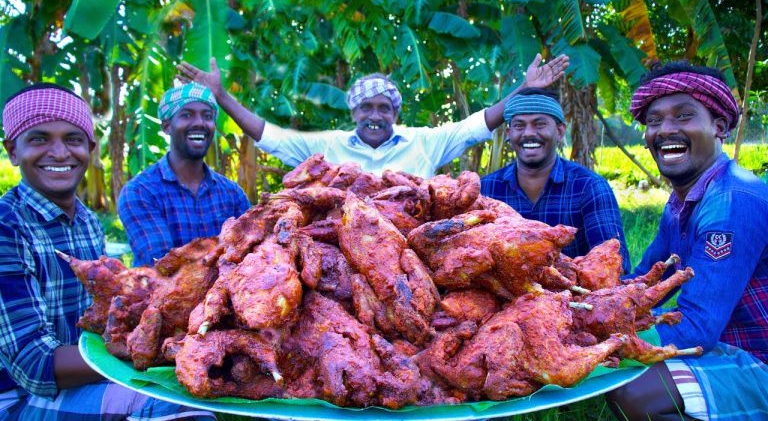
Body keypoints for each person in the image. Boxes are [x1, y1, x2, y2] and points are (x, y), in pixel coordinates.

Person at [0, 83, 214, 420]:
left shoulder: (86, 220)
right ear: (12, 150)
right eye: (39, 139)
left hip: (86, 377)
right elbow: (34, 365)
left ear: (90, 148)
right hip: (17, 396)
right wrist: (153, 351)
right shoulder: (6, 227)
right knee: (172, 404)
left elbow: (103, 317)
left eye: (72, 139)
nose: (59, 153)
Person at [605, 62, 768, 420]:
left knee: (635, 393)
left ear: (719, 126)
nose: (665, 130)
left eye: (683, 116)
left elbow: (696, 326)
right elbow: (648, 279)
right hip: (727, 345)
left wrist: (599, 335)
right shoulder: (682, 200)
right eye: (654, 121)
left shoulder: (731, 201)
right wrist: (580, 305)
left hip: (758, 358)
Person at [175, 54, 569, 179]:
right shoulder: (327, 147)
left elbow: (480, 124)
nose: (375, 115)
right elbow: (270, 136)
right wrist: (222, 96)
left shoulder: (424, 143)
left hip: (413, 261)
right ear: (354, 112)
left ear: (396, 112)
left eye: (384, 108)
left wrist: (525, 87)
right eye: (367, 107)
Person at [480, 87, 630, 270]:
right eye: (519, 125)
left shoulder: (589, 187)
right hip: (501, 297)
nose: (528, 133)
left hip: (575, 296)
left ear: (559, 132)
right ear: (509, 134)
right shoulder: (486, 189)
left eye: (539, 124)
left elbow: (612, 265)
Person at [117, 83, 251, 267]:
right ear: (166, 126)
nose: (199, 123)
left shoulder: (232, 193)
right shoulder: (140, 192)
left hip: (226, 294)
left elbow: (252, 253)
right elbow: (164, 268)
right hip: (164, 296)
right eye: (187, 115)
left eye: (207, 116)